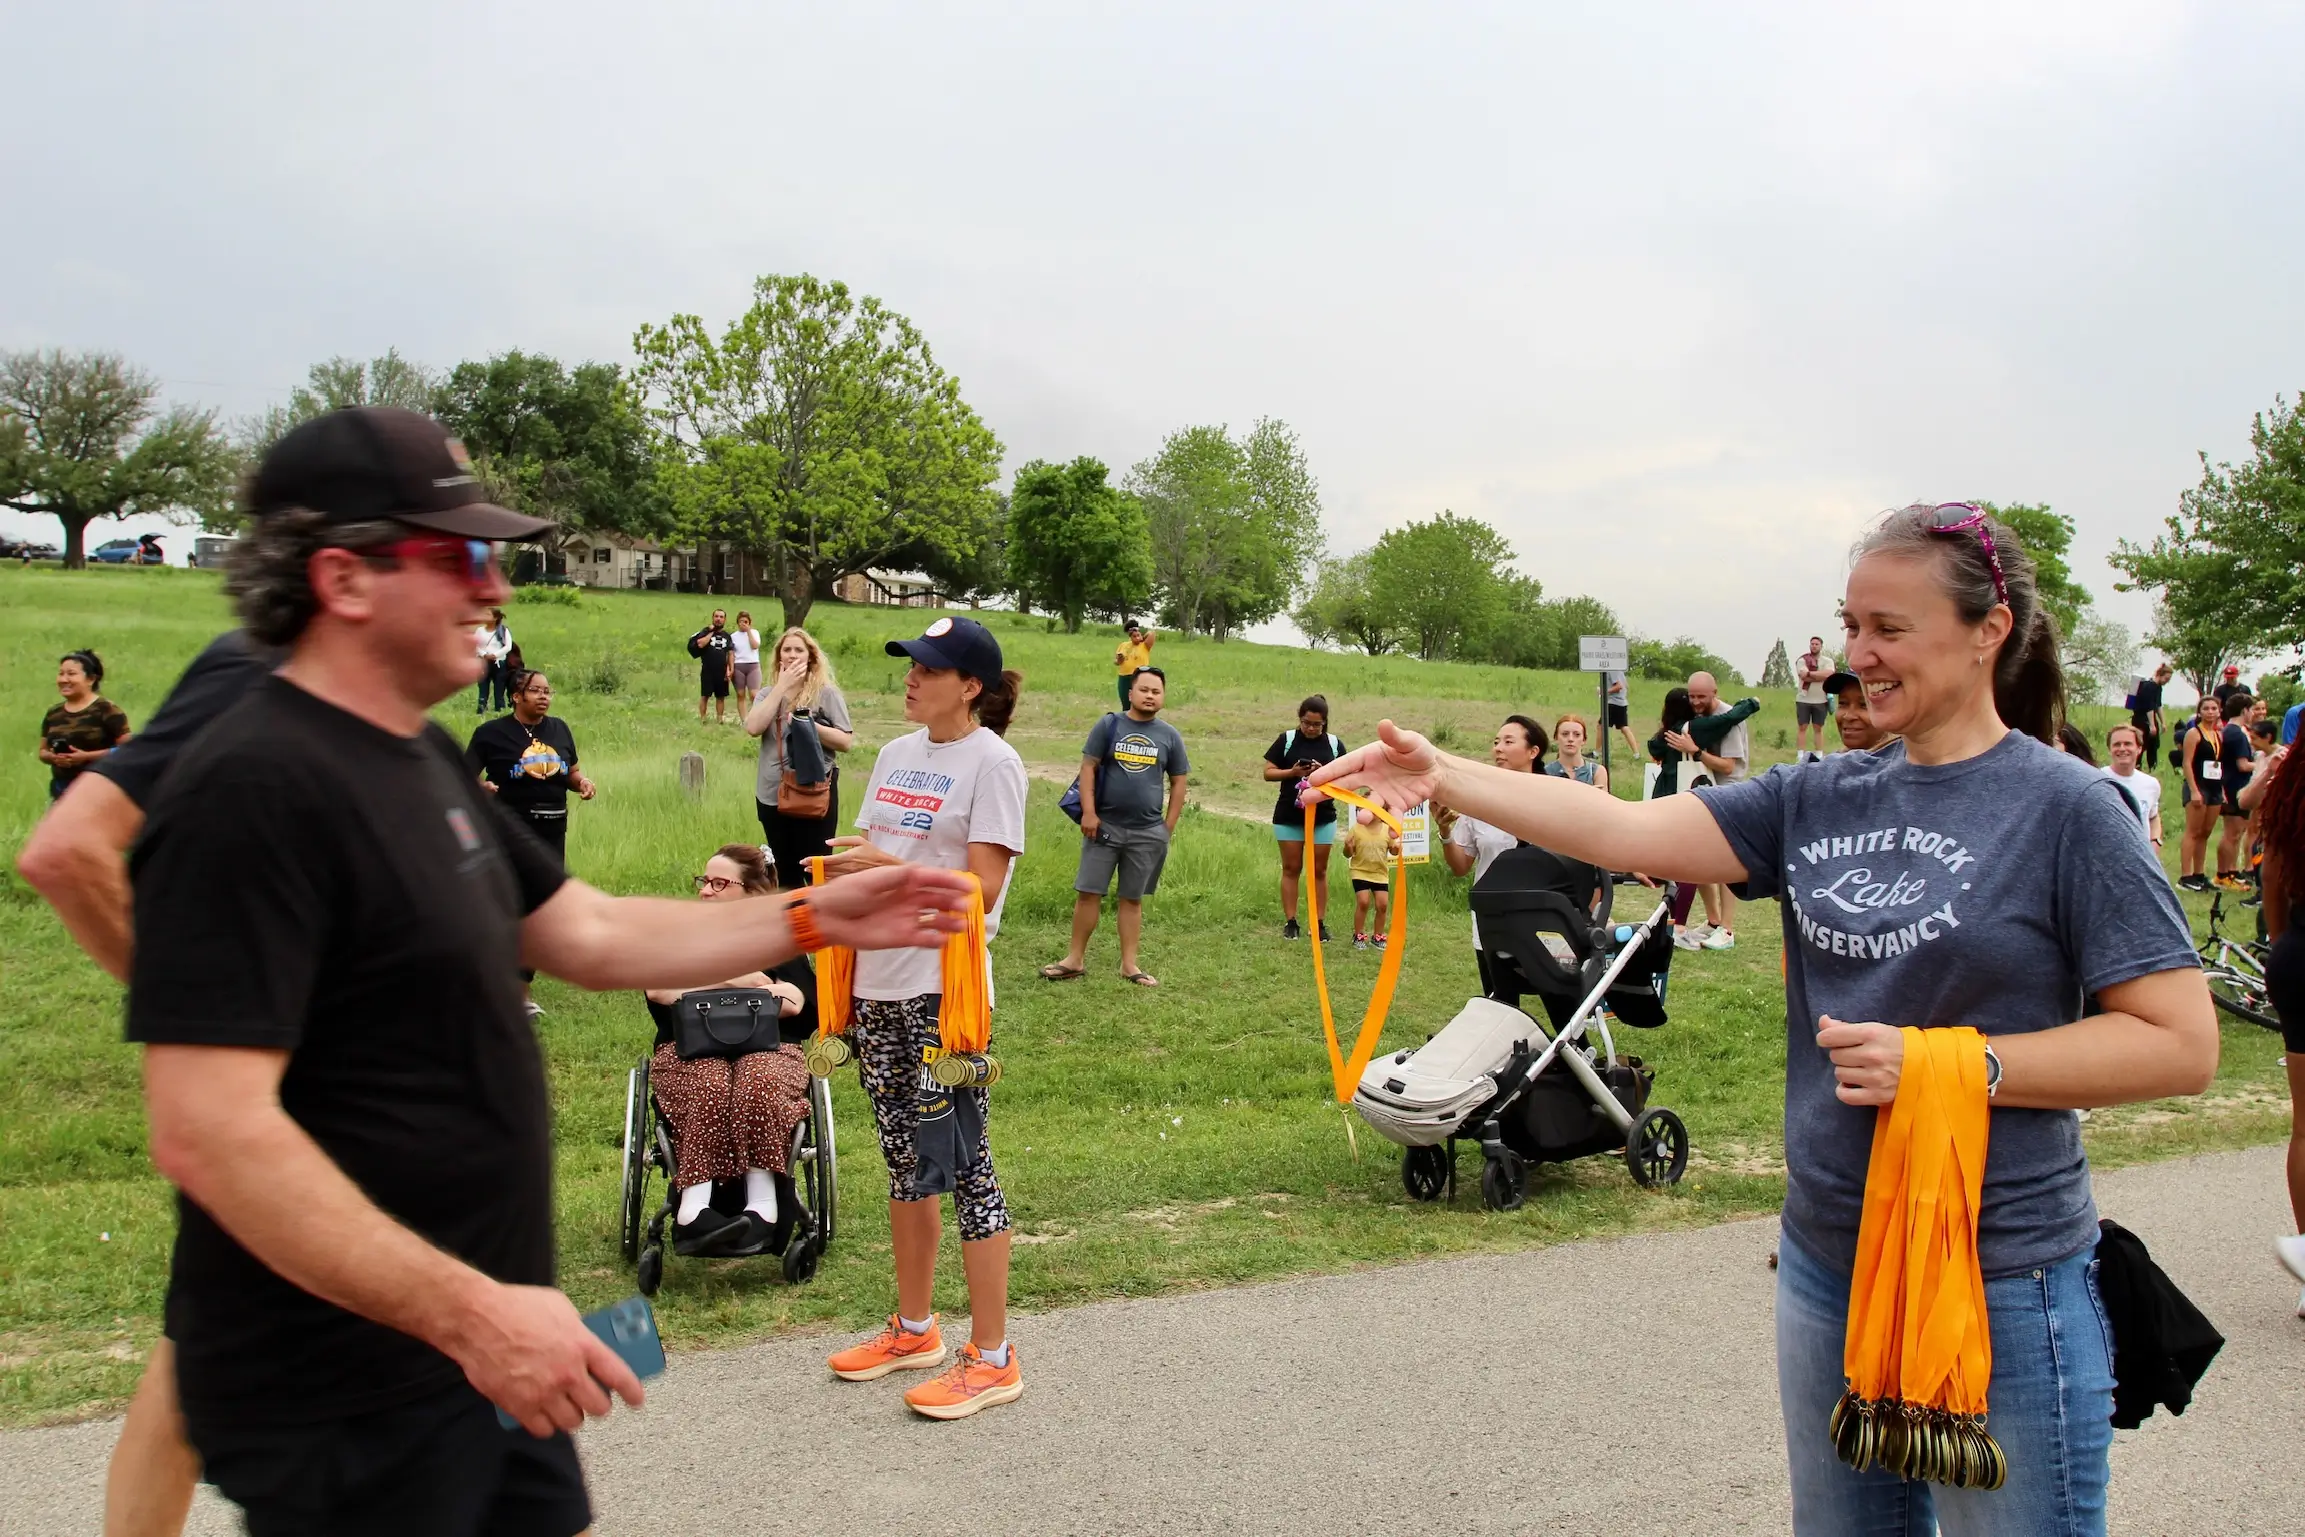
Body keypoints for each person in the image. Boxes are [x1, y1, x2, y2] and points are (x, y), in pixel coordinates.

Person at [122, 406, 977, 1535]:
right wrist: (475, 1317)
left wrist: (815, 914)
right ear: (345, 577)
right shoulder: (254, 788)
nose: (495, 591)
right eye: (463, 556)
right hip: (354, 1378)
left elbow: (589, 932)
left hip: (478, 1346)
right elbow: (208, 1130)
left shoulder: (412, 756)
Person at [1313, 500, 2214, 1534]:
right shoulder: (1816, 796)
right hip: (1829, 1264)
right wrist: (1444, 775)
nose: (1858, 658)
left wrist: (1960, 1066)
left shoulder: (2068, 809)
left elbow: (2178, 1041)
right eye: (1851, 626)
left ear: (1987, 630)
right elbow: (1621, 827)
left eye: (1890, 629)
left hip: (1999, 1279)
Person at [17, 631, 280, 1537]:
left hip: (355, 1077)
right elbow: (65, 853)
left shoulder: (385, 703)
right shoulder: (255, 667)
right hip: (287, 1080)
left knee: (203, 1343)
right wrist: (212, 1009)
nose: (483, 587)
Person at [814, 615, 1027, 1419]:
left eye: (927, 668)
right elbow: (869, 857)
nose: (909, 677)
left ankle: (995, 1355)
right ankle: (913, 1327)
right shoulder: (896, 755)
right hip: (876, 983)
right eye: (908, 664)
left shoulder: (995, 764)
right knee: (905, 1160)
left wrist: (885, 865)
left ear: (969, 686)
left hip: (946, 995)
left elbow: (980, 891)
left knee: (965, 1163)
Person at [644, 844, 817, 1256]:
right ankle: (693, 1211)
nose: (706, 891)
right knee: (708, 1083)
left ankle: (764, 1210)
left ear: (754, 893)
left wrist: (703, 984)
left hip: (771, 1051)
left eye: (720, 883)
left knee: (760, 1081)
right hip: (688, 1053)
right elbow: (659, 988)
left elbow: (796, 1001)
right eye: (704, 881)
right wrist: (742, 979)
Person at [1041, 666, 1189, 986]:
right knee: (1088, 893)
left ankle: (1129, 965)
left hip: (1147, 832)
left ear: (1163, 697)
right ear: (1130, 693)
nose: (1150, 696)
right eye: (1144, 689)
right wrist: (1089, 813)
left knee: (1132, 899)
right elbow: (1088, 768)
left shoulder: (1169, 736)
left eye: (1156, 691)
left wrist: (1168, 826)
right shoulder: (1109, 725)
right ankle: (1074, 959)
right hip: (1104, 827)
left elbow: (1179, 782)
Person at [2235, 742, 2305, 1316]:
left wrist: (2284, 946)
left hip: (2300, 954)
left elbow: (2275, 873)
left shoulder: (2295, 791)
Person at [743, 626, 856, 886]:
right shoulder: (767, 693)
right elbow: (753, 727)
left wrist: (807, 725)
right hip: (772, 793)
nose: (792, 655)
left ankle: (817, 920)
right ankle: (791, 921)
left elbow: (845, 741)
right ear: (779, 657)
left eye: (798, 649)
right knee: (784, 869)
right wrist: (781, 688)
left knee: (815, 868)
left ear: (810, 657)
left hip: (814, 793)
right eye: (787, 650)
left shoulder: (825, 693)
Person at [1444, 715, 1547, 999]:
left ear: (1533, 751)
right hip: (1492, 918)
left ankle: (1570, 1043)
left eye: (1508, 741)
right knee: (1499, 1001)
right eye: (1496, 742)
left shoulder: (1552, 798)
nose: (1498, 748)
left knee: (1560, 1000)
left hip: (1544, 916)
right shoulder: (1478, 800)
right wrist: (1444, 832)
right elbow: (1460, 866)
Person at [465, 669, 595, 866]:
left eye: (547, 691)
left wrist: (583, 783)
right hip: (510, 828)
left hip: (554, 827)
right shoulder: (490, 733)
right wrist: (480, 788)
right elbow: (462, 775)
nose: (543, 696)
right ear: (516, 696)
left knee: (549, 890)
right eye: (535, 690)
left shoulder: (560, 729)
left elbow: (572, 772)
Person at [1674, 670, 1754, 950]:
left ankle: (1728, 930)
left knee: (1725, 863)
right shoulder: (1696, 716)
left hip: (1728, 792)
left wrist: (1695, 752)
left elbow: (1729, 767)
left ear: (1715, 693)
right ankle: (1713, 921)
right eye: (1692, 696)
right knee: (1701, 860)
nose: (1695, 702)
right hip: (1703, 790)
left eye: (1701, 697)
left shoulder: (1730, 719)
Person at [1264, 696, 1350, 940]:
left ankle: (1318, 922)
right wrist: (1293, 772)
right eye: (1306, 723)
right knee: (1291, 868)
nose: (1311, 728)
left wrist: (1323, 773)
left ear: (1325, 723)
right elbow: (1268, 773)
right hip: (1288, 817)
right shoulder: (1287, 740)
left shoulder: (1334, 745)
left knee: (1319, 871)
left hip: (1323, 817)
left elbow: (1346, 780)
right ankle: (1291, 921)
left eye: (1317, 724)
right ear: (1299, 719)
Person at [39, 649, 130, 801]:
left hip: (99, 790)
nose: (64, 679)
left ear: (91, 679)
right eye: (61, 673)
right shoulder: (54, 713)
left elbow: (127, 749)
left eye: (71, 674)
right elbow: (42, 752)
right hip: (62, 791)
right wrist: (55, 758)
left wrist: (86, 757)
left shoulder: (107, 710)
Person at [2177, 694, 2229, 892]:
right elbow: (2187, 763)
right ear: (2199, 711)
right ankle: (2185, 876)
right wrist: (2193, 790)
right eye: (2206, 708)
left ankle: (2199, 874)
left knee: (2205, 833)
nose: (2210, 712)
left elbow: (2219, 764)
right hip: (2198, 786)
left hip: (2215, 786)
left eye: (2213, 708)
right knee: (2193, 831)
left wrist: (2222, 790)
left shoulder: (2218, 735)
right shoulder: (2193, 733)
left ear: (2219, 711)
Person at [2214, 691, 2259, 890]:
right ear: (2244, 710)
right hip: (2235, 787)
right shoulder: (2237, 733)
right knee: (2233, 833)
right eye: (2251, 710)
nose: (2253, 714)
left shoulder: (2228, 731)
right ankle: (2225, 874)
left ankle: (2229, 872)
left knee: (2233, 833)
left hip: (2230, 785)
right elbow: (2242, 765)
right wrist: (2263, 765)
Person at [1344, 808, 1399, 951]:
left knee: (1382, 905)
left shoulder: (1387, 830)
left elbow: (1394, 851)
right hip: (1360, 871)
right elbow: (1347, 854)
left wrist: (1397, 847)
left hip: (1380, 874)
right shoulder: (1356, 829)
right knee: (1363, 902)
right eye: (1361, 809)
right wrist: (1348, 847)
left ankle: (1378, 936)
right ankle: (1358, 935)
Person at [2105, 723, 2165, 850]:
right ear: (2109, 749)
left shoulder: (2151, 784)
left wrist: (2155, 841)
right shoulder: (2097, 779)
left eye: (2128, 744)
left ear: (2139, 749)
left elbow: (2153, 816)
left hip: (2140, 855)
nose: (2122, 748)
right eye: (2116, 744)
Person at [1824, 669, 1894, 753]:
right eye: (1843, 703)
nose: (1848, 716)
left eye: (1864, 705)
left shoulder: (1903, 763)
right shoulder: (1835, 761)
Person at [689, 607, 736, 723]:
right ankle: (703, 718)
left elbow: (730, 653)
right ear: (713, 618)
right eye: (716, 616)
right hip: (708, 669)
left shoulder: (727, 636)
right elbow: (700, 644)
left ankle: (719, 719)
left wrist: (731, 669)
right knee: (705, 695)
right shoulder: (705, 631)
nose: (718, 619)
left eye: (721, 617)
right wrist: (711, 632)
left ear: (725, 620)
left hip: (722, 670)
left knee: (720, 696)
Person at [1546, 711, 1610, 793]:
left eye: (1577, 735)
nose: (1570, 739)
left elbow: (1604, 803)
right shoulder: (1545, 772)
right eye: (1565, 734)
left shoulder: (1596, 771)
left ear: (1584, 740)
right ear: (1556, 738)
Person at [1794, 636, 1833, 758]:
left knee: (1818, 728)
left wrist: (1811, 674)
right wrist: (1818, 676)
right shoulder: (1802, 660)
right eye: (1812, 644)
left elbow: (1829, 674)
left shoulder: (1827, 661)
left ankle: (1819, 755)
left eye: (1816, 644)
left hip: (1821, 699)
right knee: (1802, 727)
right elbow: (1803, 675)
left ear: (1821, 646)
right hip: (1804, 699)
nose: (1814, 646)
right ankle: (1800, 755)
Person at [471, 606, 512, 714]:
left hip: (499, 663)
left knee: (499, 689)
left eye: (488, 615)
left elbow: (508, 646)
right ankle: (481, 710)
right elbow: (474, 645)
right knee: (483, 687)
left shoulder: (503, 630)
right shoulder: (480, 630)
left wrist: (495, 655)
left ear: (495, 618)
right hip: (483, 663)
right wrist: (484, 654)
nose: (485, 617)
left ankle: (500, 711)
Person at [2131, 662, 2172, 769]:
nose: (2166, 682)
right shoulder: (2148, 686)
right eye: (2166, 679)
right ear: (2160, 675)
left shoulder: (2158, 688)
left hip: (2151, 718)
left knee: (2153, 745)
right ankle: (2137, 766)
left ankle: (2152, 767)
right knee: (2141, 743)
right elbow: (2148, 707)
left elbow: (2158, 705)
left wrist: (2163, 723)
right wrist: (2152, 725)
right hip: (2141, 719)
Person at [728, 609, 765, 714]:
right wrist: (731, 668)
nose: (743, 624)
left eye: (745, 622)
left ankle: (755, 716)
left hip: (752, 665)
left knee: (754, 694)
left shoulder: (754, 633)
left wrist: (748, 631)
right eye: (741, 621)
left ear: (749, 623)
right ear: (737, 623)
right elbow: (731, 654)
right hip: (738, 666)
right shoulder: (733, 636)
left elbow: (755, 646)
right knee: (740, 694)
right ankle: (744, 719)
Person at [1113, 620, 1156, 708]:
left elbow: (1152, 634)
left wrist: (1141, 636)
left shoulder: (1144, 645)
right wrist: (1120, 659)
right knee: (1126, 703)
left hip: (1140, 676)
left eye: (1138, 635)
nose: (1136, 637)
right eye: (1134, 636)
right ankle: (1127, 720)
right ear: (1130, 637)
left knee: (1140, 702)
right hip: (1124, 677)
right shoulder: (1123, 645)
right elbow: (1117, 662)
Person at [1604, 669, 1639, 758]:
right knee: (1624, 728)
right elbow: (1626, 685)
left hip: (1614, 703)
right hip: (1621, 703)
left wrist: (1604, 691)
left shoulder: (1612, 670)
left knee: (1601, 726)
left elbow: (1619, 686)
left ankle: (1596, 753)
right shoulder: (1619, 670)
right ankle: (1636, 753)